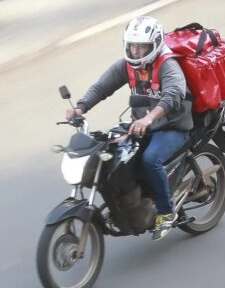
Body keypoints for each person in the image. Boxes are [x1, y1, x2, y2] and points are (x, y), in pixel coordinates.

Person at [66, 16, 193, 240]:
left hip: (172, 126)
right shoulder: (127, 65)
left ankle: (166, 211)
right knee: (114, 155)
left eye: (142, 46)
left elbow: (174, 95)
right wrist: (80, 107)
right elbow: (102, 86)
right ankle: (130, 202)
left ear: (154, 45)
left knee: (150, 159)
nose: (136, 51)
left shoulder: (167, 65)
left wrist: (150, 118)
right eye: (133, 46)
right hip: (140, 125)